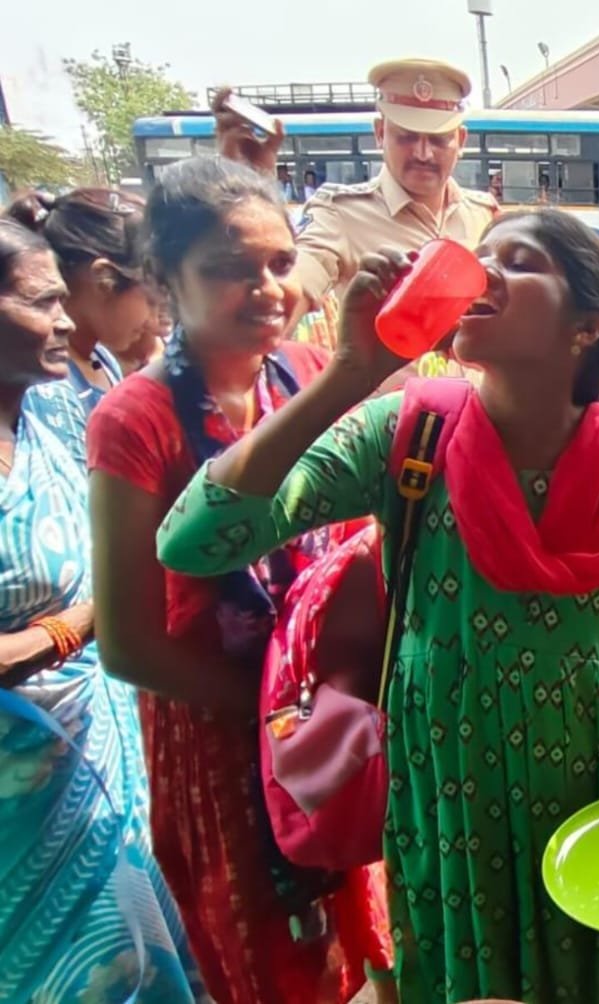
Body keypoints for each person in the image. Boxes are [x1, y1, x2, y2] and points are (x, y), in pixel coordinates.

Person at [157, 208, 599, 1002]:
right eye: (479, 256)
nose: (480, 273)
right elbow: (193, 542)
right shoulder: (405, 432)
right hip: (452, 776)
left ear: (588, 326)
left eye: (517, 262)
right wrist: (352, 370)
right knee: (474, 969)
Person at [86, 157, 389, 1003]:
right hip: (222, 736)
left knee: (360, 931)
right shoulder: (134, 419)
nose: (266, 289)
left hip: (320, 713)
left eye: (281, 264)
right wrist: (274, 716)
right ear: (163, 281)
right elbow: (131, 644)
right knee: (269, 964)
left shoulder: (305, 370)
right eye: (229, 270)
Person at [0, 219, 204, 1003]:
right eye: (39, 301)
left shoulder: (60, 413)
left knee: (129, 948)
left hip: (103, 740)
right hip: (16, 787)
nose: (62, 320)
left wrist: (71, 627)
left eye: (62, 298)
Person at [213, 58, 498, 323]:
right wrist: (249, 198)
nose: (423, 154)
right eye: (406, 137)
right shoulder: (339, 214)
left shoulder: (484, 216)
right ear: (379, 134)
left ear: (460, 140)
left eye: (438, 140)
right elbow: (290, 292)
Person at [5, 189, 166, 415]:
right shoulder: (49, 382)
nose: (154, 320)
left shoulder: (103, 359)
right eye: (150, 301)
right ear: (105, 279)